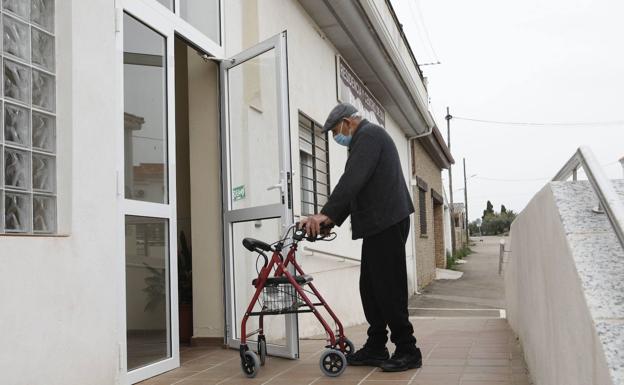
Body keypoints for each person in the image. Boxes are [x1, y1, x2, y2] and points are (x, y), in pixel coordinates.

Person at [300, 102, 422, 372]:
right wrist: (330, 220)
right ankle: (377, 346)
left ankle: (408, 349)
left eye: (335, 131)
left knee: (389, 288)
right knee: (371, 288)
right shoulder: (367, 139)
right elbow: (358, 186)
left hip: (387, 222)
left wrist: (325, 214)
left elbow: (352, 180)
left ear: (348, 122)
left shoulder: (368, 135)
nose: (336, 137)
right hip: (381, 224)